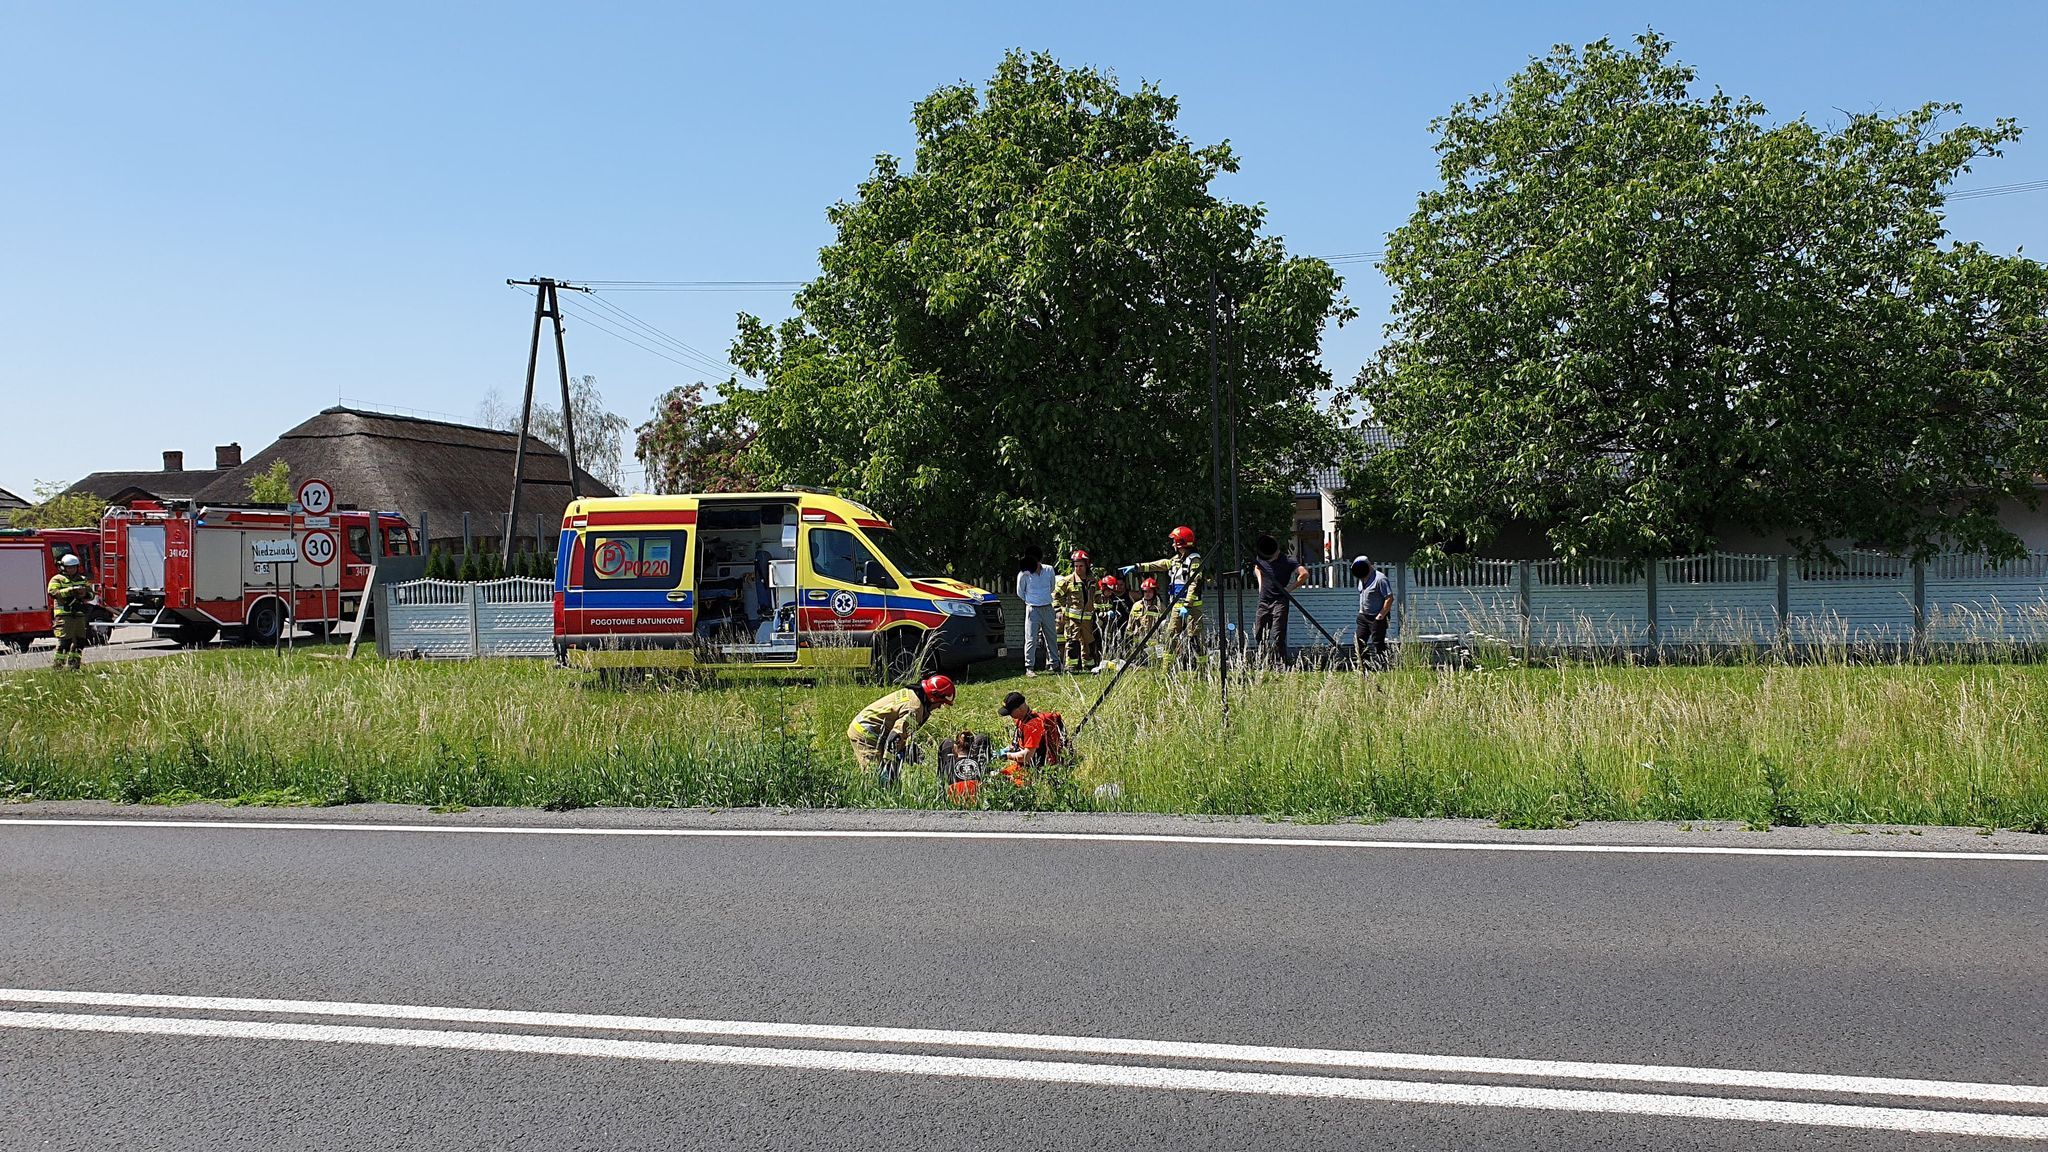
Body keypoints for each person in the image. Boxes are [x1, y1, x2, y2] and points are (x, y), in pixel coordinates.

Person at [847, 674, 955, 779]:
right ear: (933, 698)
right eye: (941, 703)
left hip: (872, 729)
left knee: (885, 777)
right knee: (874, 778)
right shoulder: (915, 709)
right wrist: (891, 765)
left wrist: (903, 749)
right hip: (866, 734)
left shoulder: (914, 694)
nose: (940, 707)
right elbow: (894, 738)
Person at [1124, 526, 1206, 663]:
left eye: (1174, 541)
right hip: (1176, 605)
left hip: (1192, 608)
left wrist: (1187, 605)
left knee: (1195, 640)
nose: (1172, 544)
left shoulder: (1194, 561)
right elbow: (1159, 565)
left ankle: (1202, 671)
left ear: (1181, 542)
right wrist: (1138, 567)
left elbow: (1195, 584)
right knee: (1171, 639)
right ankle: (1166, 672)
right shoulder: (1176, 560)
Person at [1250, 533, 1308, 664]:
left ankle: (1281, 664)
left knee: (1278, 635)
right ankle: (1263, 662)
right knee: (1259, 633)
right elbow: (1257, 567)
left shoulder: (1287, 561)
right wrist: (1260, 583)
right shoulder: (1262, 557)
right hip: (1264, 601)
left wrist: (1289, 589)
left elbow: (1304, 574)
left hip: (1279, 602)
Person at [996, 690, 1065, 783]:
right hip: (1023, 767)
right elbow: (1019, 744)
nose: (1009, 715)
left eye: (1010, 712)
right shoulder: (1022, 720)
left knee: (1003, 782)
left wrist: (1006, 756)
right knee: (996, 776)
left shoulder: (1032, 726)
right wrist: (1007, 749)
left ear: (1019, 709)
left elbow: (1027, 756)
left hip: (1035, 771)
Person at [1052, 549, 1099, 673]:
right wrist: (1058, 610)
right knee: (1072, 642)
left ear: (1086, 565)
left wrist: (1100, 610)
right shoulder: (1067, 581)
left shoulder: (1093, 581)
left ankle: (1089, 665)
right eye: (1076, 566)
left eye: (1081, 566)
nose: (1078, 568)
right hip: (1073, 619)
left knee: (1088, 643)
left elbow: (1098, 598)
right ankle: (1071, 666)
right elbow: (1055, 596)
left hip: (1088, 619)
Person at [46, 553, 94, 671]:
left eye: (74, 567)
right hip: (64, 615)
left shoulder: (82, 579)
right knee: (64, 642)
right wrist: (71, 591)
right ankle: (58, 668)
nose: (72, 570)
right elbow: (53, 592)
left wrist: (85, 593)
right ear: (63, 567)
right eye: (69, 567)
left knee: (80, 641)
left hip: (79, 614)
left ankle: (74, 666)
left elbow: (91, 595)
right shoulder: (57, 579)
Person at [1016, 546, 1057, 676]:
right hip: (1032, 609)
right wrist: (1031, 601)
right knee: (1031, 638)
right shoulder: (1024, 574)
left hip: (1047, 607)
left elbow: (1052, 587)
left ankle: (1055, 664)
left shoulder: (1049, 570)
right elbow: (1020, 592)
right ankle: (1029, 667)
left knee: (1052, 637)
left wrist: (1043, 598)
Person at [1353, 556, 1393, 668]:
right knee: (1359, 641)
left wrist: (1380, 616)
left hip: (1376, 616)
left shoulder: (1380, 579)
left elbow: (1389, 598)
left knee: (1378, 643)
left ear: (1369, 566)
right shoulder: (1361, 578)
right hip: (1363, 616)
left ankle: (1385, 667)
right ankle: (1364, 667)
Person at [1093, 574, 1127, 665]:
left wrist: (1115, 613)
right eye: (1109, 590)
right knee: (1098, 644)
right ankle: (1098, 662)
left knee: (1109, 643)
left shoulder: (1110, 598)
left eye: (1111, 591)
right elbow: (1095, 612)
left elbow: (1111, 608)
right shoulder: (1097, 598)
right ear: (1103, 588)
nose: (1111, 593)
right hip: (1097, 626)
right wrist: (1105, 614)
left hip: (1108, 626)